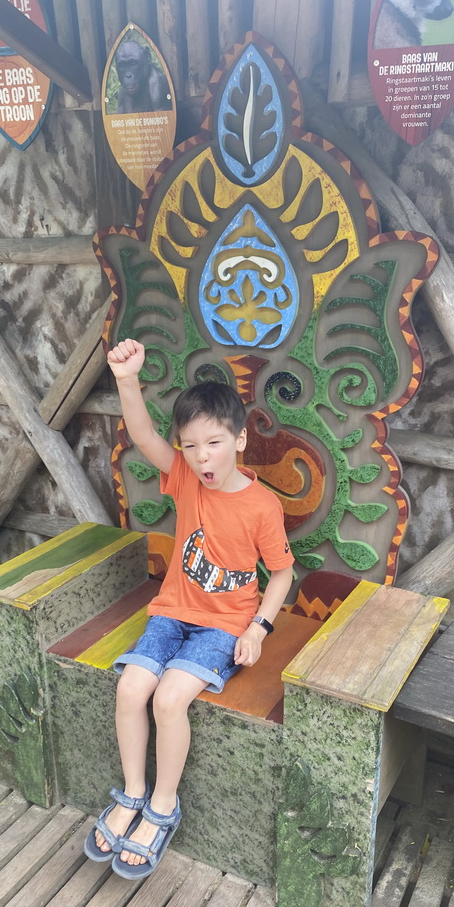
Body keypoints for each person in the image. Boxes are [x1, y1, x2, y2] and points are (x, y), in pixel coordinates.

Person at [84, 337, 294, 879]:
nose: (203, 457)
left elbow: (283, 572)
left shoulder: (261, 505)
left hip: (225, 625)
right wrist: (127, 380)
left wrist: (260, 628)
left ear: (240, 439)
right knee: (132, 685)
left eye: (215, 443)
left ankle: (162, 807)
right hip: (172, 610)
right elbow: (145, 435)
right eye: (192, 445)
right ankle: (132, 793)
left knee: (171, 697)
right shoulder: (183, 476)